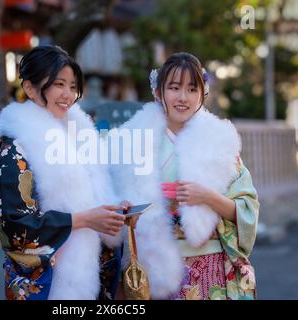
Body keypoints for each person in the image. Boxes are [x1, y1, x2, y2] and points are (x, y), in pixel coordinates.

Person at [0, 45, 127, 300]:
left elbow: (93, 199)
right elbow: (16, 228)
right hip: (47, 285)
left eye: (73, 86)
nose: (68, 94)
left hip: (89, 277)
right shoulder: (13, 153)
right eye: (58, 84)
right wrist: (84, 219)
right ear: (30, 88)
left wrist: (113, 211)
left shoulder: (80, 138)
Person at [111, 52, 259, 299]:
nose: (183, 97)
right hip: (152, 265)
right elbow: (111, 201)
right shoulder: (131, 142)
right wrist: (123, 211)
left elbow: (247, 211)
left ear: (203, 94)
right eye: (174, 87)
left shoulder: (220, 143)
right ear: (158, 92)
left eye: (192, 89)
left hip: (209, 267)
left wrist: (208, 197)